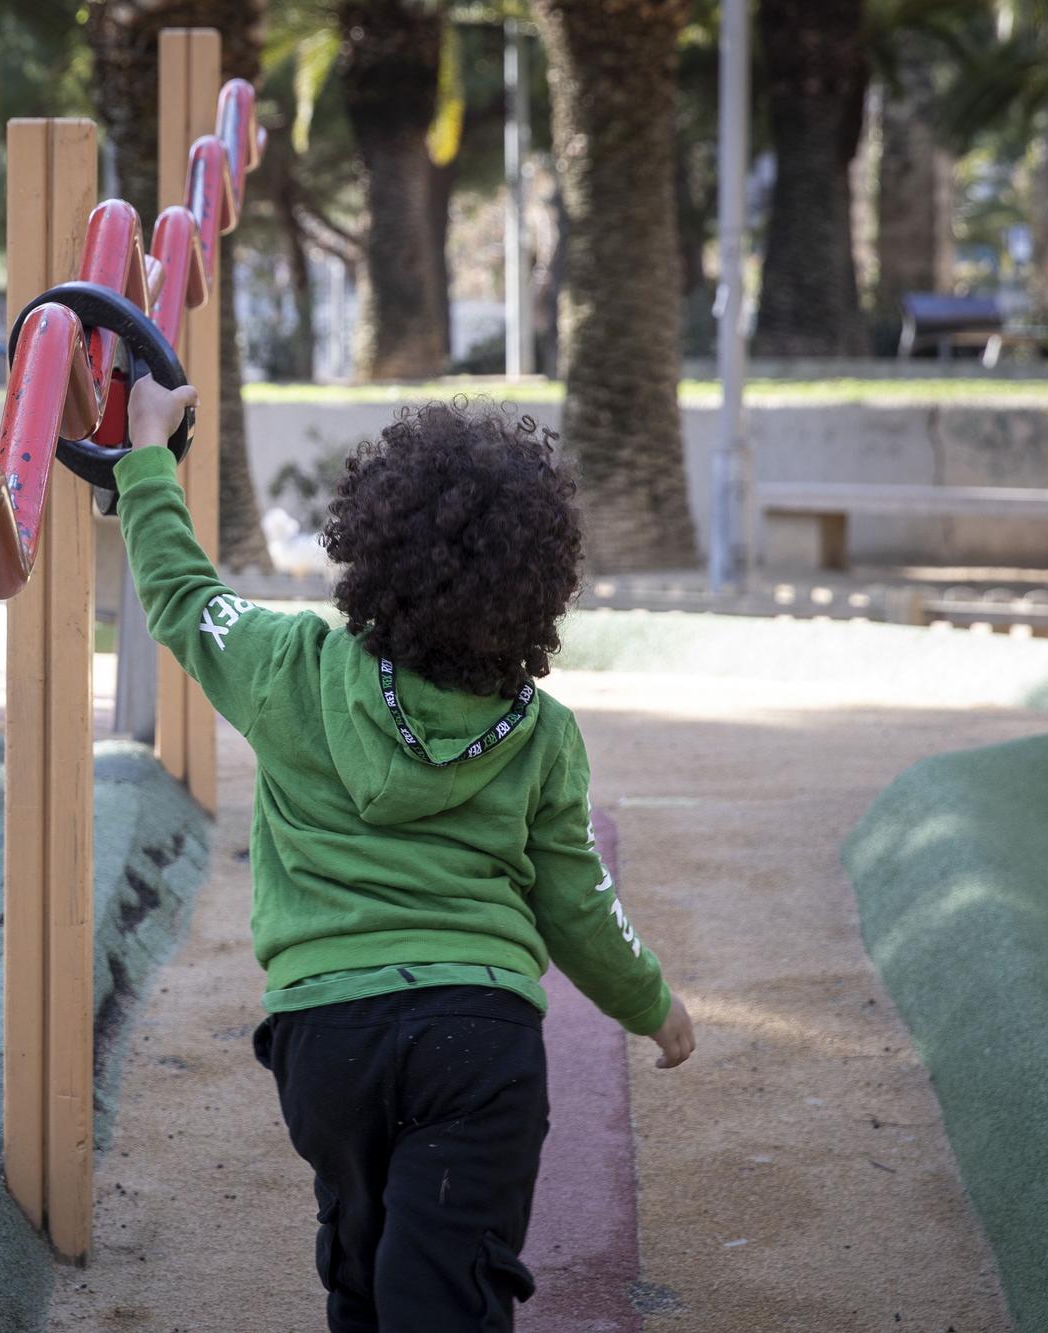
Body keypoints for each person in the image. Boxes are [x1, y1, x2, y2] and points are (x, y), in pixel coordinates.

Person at [114, 378, 696, 1333]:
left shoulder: (287, 666)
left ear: (370, 548)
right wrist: (652, 1003)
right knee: (447, 1286)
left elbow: (182, 594)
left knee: (363, 1274)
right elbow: (581, 905)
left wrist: (145, 454)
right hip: (481, 1039)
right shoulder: (542, 734)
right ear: (541, 587)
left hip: (325, 1040)